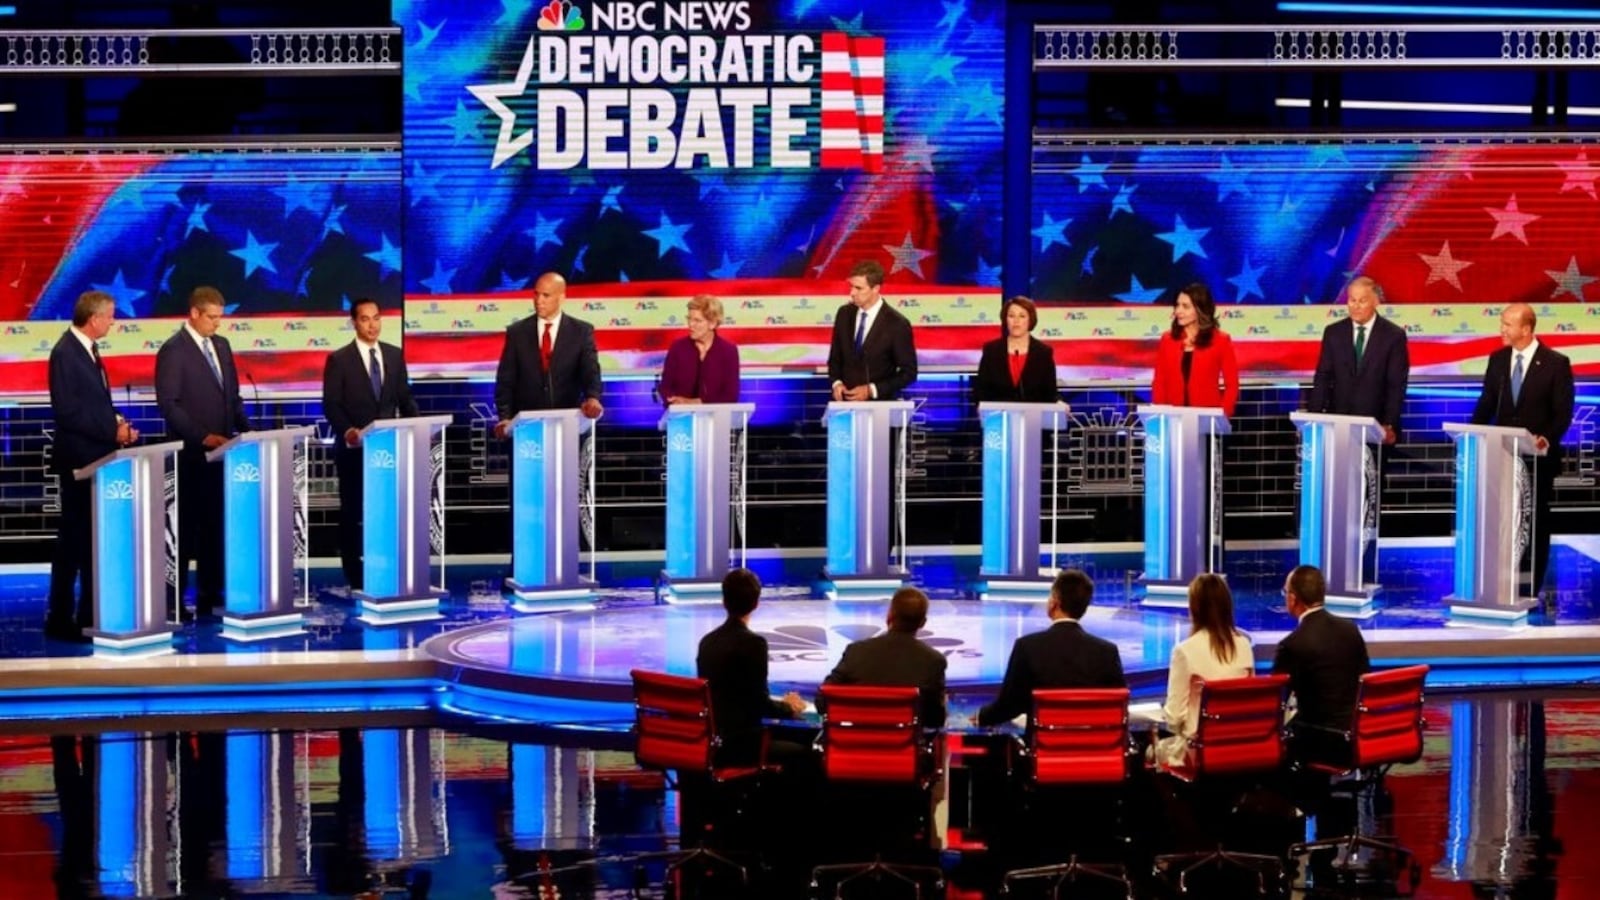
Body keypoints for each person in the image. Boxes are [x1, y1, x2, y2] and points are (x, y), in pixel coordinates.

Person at [46, 290, 139, 642]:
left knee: (88, 542)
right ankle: (60, 618)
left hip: (97, 457)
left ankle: (89, 614)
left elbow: (94, 405)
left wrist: (118, 424)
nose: (113, 322)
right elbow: (67, 412)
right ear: (94, 317)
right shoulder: (65, 353)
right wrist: (110, 430)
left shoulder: (88, 350)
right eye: (110, 316)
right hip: (78, 460)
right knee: (72, 543)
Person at [155, 285, 252, 618]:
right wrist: (202, 437)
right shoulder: (173, 350)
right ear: (194, 313)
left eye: (219, 318)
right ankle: (175, 602)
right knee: (184, 530)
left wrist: (249, 433)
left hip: (223, 458)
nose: (217, 324)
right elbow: (170, 405)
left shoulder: (222, 346)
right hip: (189, 458)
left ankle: (213, 596)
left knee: (216, 529)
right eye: (212, 318)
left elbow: (233, 398)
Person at [1470, 302, 1575, 597]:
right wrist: (1470, 433)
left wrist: (1547, 438)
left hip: (1538, 460)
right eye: (1502, 323)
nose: (1501, 329)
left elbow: (1562, 413)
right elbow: (1486, 404)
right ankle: (1501, 580)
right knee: (1504, 521)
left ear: (1525, 329)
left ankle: (1530, 585)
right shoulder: (1498, 360)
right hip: (1502, 457)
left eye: (1507, 324)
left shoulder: (1556, 363)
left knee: (1534, 520)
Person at [321, 298, 420, 591]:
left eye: (376, 318)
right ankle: (355, 573)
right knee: (353, 511)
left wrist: (417, 425)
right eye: (365, 319)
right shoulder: (339, 360)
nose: (372, 324)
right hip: (354, 450)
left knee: (386, 510)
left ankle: (386, 565)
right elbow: (331, 404)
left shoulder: (394, 355)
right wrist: (348, 430)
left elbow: (404, 399)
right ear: (355, 322)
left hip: (388, 452)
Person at [977, 569, 1125, 726]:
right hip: (1095, 747)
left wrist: (981, 717)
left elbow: (1010, 705)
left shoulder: (1027, 648)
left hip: (1044, 748)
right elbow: (1118, 706)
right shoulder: (1107, 653)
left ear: (1054, 602)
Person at [695, 568, 807, 767]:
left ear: (724, 601)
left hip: (713, 742)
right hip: (742, 745)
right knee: (808, 753)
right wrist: (787, 706)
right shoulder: (753, 644)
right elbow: (758, 704)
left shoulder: (707, 642)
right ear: (756, 603)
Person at [1151, 573, 1255, 767]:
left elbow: (1174, 719)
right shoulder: (1244, 646)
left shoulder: (1185, 651)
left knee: (1148, 753)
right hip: (1239, 746)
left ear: (1195, 608)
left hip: (1199, 751)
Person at [1274, 564, 1370, 765]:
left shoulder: (1292, 645)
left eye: (1285, 592)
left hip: (1320, 741)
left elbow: (1275, 703)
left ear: (1293, 598)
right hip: (1359, 735)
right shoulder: (1350, 630)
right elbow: (1365, 683)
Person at [492, 272, 603, 438]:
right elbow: (505, 380)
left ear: (561, 298)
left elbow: (590, 371)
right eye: (536, 294)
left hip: (567, 425)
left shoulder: (581, 332)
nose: (539, 300)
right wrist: (505, 417)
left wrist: (593, 398)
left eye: (546, 295)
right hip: (526, 428)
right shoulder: (517, 333)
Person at [820, 587, 949, 728]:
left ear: (889, 615)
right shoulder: (933, 661)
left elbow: (822, 701)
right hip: (904, 747)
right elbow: (935, 720)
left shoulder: (856, 652)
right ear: (922, 622)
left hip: (856, 744)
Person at [1306, 275, 1410, 445]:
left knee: (1371, 471)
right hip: (1339, 424)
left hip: (1375, 426)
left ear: (1376, 302)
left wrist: (1390, 424)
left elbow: (1396, 385)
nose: (1355, 306)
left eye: (1362, 301)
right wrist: (1313, 417)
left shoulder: (1393, 336)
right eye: (1352, 300)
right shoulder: (1333, 333)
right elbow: (1323, 377)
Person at [827, 259, 918, 402]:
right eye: (851, 287)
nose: (852, 293)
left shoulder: (897, 324)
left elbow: (909, 373)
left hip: (879, 407)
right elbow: (835, 359)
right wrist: (836, 383)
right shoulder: (844, 314)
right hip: (843, 406)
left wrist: (872, 390)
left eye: (859, 288)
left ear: (876, 288)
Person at [1151, 282, 1239, 417]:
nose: (1178, 311)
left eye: (1185, 306)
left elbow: (1232, 385)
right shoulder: (1167, 339)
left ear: (1200, 309)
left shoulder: (1221, 340)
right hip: (1172, 417)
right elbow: (1159, 382)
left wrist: (1222, 416)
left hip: (1208, 419)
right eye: (1177, 305)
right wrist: (1161, 415)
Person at [973, 296, 1060, 404]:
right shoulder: (991, 351)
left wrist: (1058, 403)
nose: (1016, 321)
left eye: (1022, 316)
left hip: (1032, 418)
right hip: (998, 418)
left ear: (1030, 320)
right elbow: (981, 392)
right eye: (1011, 316)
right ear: (1005, 320)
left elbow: (1050, 393)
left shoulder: (1043, 353)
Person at [659, 294, 740, 405]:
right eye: (689, 319)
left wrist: (694, 403)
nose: (691, 324)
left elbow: (730, 396)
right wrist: (675, 403)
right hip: (681, 418)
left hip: (716, 418)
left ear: (712, 323)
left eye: (697, 320)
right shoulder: (678, 348)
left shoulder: (728, 351)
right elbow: (665, 388)